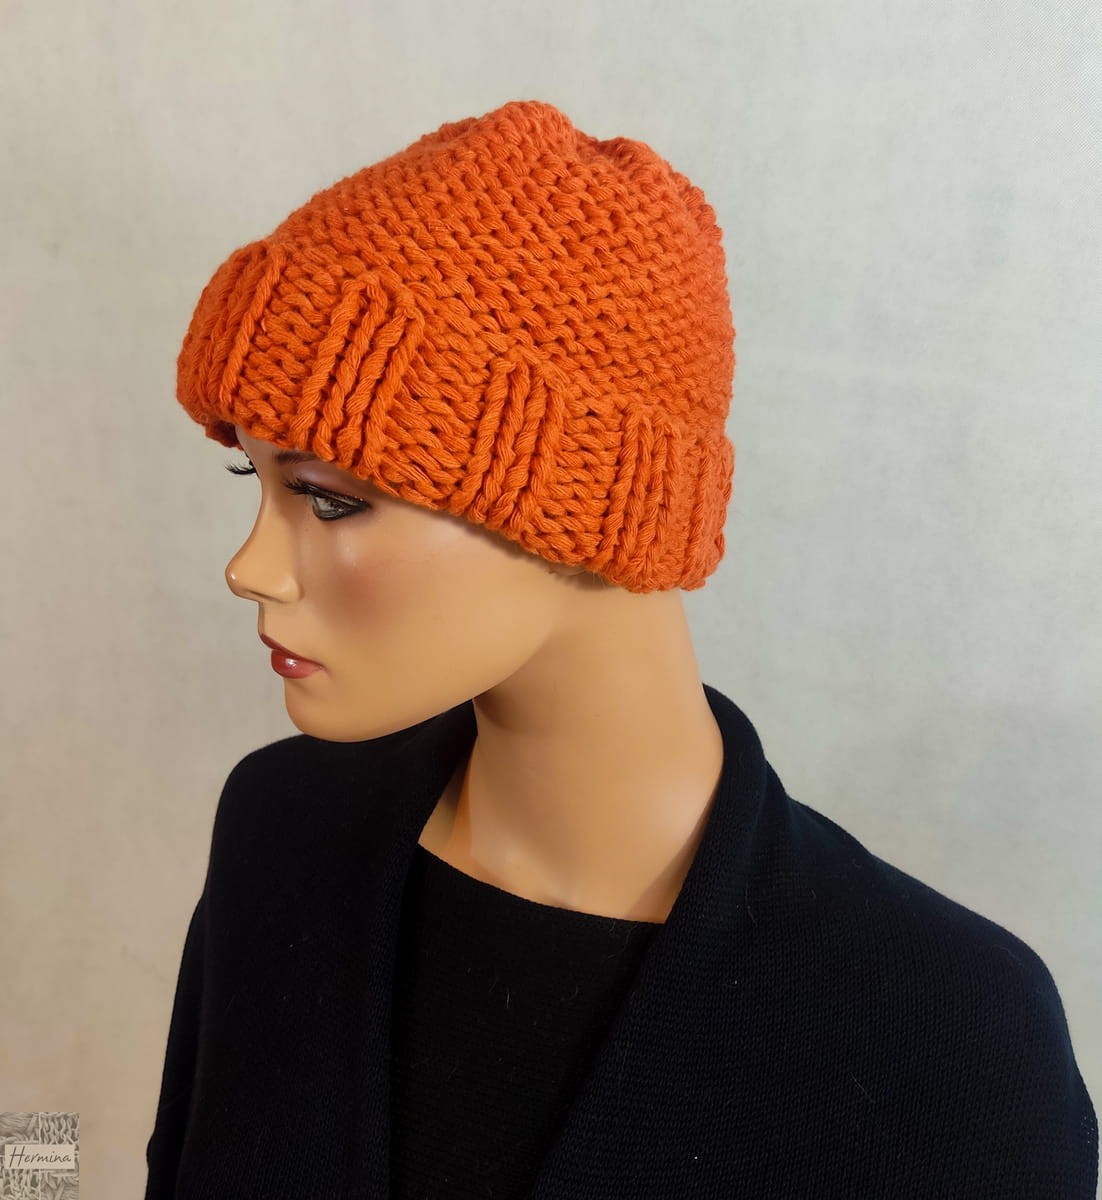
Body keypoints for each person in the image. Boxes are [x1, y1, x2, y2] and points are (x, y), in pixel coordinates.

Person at [143, 99, 1097, 1198]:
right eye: (251, 476)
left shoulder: (949, 1037)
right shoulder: (280, 834)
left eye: (330, 498)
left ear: (578, 511)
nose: (251, 567)